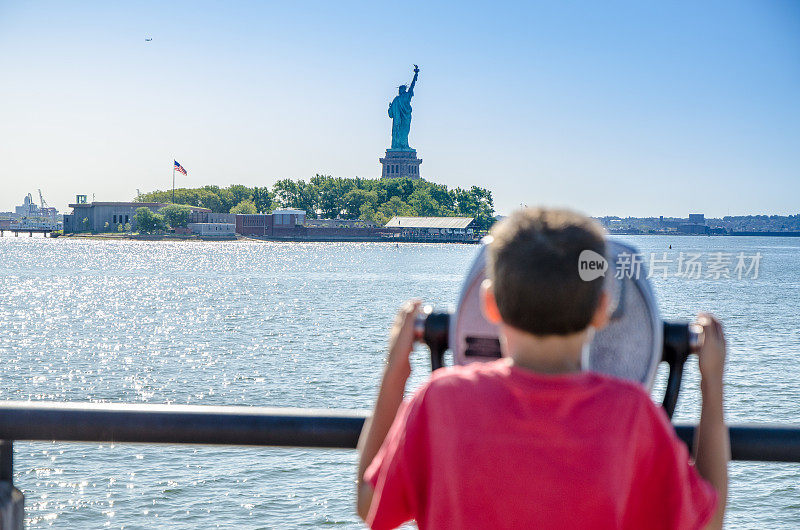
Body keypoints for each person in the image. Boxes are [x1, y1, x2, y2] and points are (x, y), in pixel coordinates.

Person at [356, 207, 729, 529]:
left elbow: (369, 504)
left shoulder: (440, 398)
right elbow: (707, 521)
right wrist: (712, 385)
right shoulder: (631, 413)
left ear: (489, 304)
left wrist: (397, 367)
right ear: (602, 309)